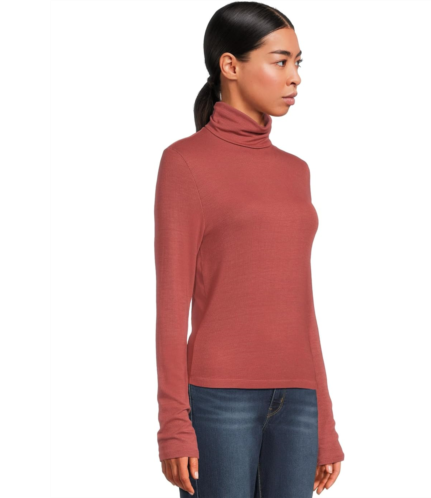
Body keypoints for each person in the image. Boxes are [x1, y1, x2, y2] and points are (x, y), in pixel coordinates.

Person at [154, 2, 344, 496]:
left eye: (298, 62)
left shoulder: (295, 171)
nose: (295, 77)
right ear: (230, 66)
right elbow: (171, 306)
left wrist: (325, 422)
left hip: (299, 400)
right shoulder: (185, 162)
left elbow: (301, 305)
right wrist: (174, 423)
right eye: (280, 61)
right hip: (220, 398)